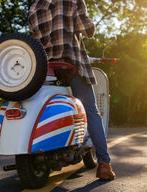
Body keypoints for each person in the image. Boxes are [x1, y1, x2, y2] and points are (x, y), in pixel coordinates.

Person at [28, 0, 115, 180]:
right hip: (70, 65)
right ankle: (104, 164)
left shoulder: (35, 6)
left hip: (45, 69)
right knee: (91, 111)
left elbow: (34, 40)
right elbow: (88, 30)